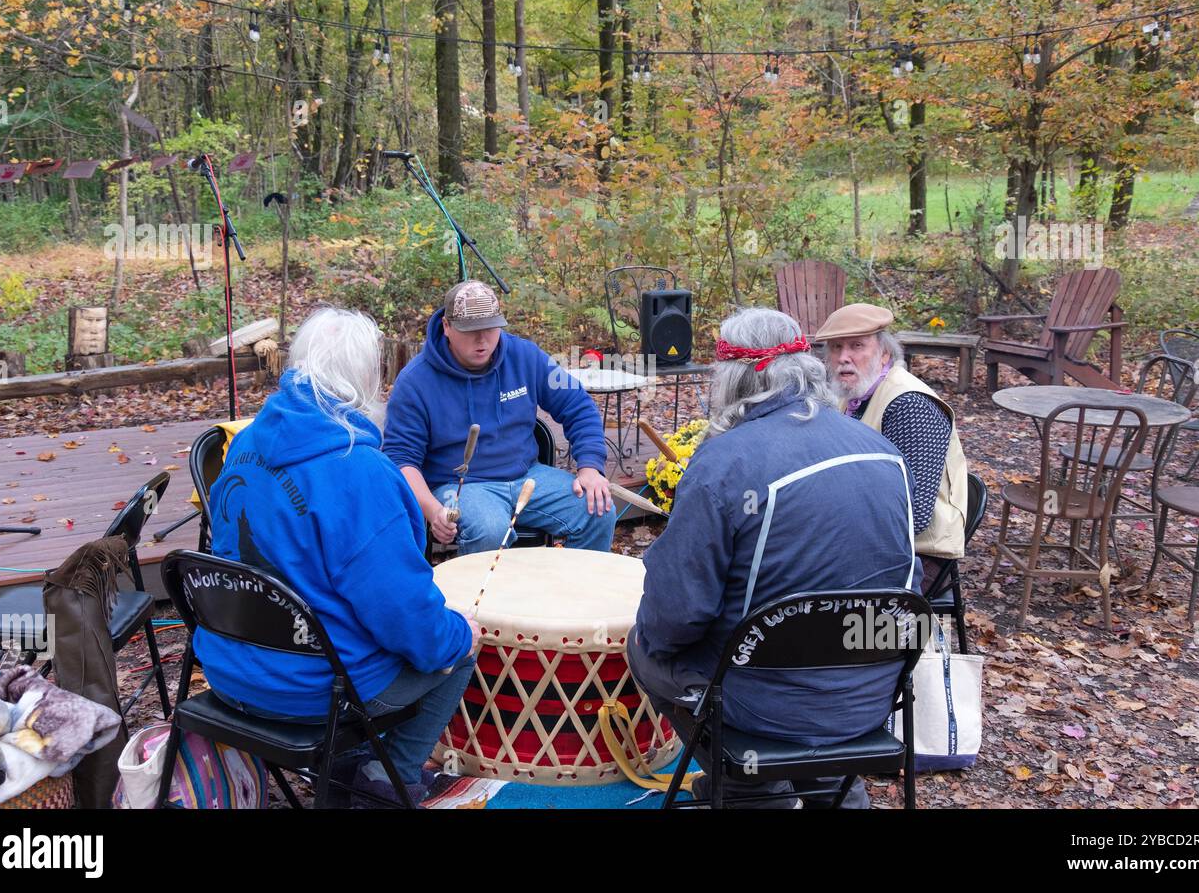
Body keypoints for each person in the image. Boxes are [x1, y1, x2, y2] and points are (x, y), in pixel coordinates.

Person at [627, 307, 921, 809]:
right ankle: (830, 787)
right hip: (874, 694)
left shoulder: (723, 462)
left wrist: (658, 631)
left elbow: (676, 615)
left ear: (732, 378)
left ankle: (751, 790)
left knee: (644, 646)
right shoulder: (883, 452)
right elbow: (905, 584)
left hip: (764, 705)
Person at [194, 307, 478, 805]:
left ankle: (349, 764)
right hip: (310, 692)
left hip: (228, 667)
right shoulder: (360, 471)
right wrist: (459, 634)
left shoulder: (244, 444)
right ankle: (388, 777)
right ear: (370, 377)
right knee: (459, 646)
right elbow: (404, 614)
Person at [384, 280, 616, 555]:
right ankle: (475, 598)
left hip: (527, 476)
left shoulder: (525, 357)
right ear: (447, 327)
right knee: (489, 529)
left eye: (491, 328)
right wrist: (433, 510)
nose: (483, 340)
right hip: (458, 486)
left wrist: (590, 467)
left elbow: (578, 405)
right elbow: (401, 458)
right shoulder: (415, 381)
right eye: (470, 331)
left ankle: (575, 593)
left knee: (598, 511)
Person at [815, 303, 969, 598]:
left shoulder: (908, 404)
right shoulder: (852, 394)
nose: (843, 358)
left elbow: (915, 515)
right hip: (871, 536)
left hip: (919, 554)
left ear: (884, 353)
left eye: (857, 346)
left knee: (809, 588)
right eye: (835, 348)